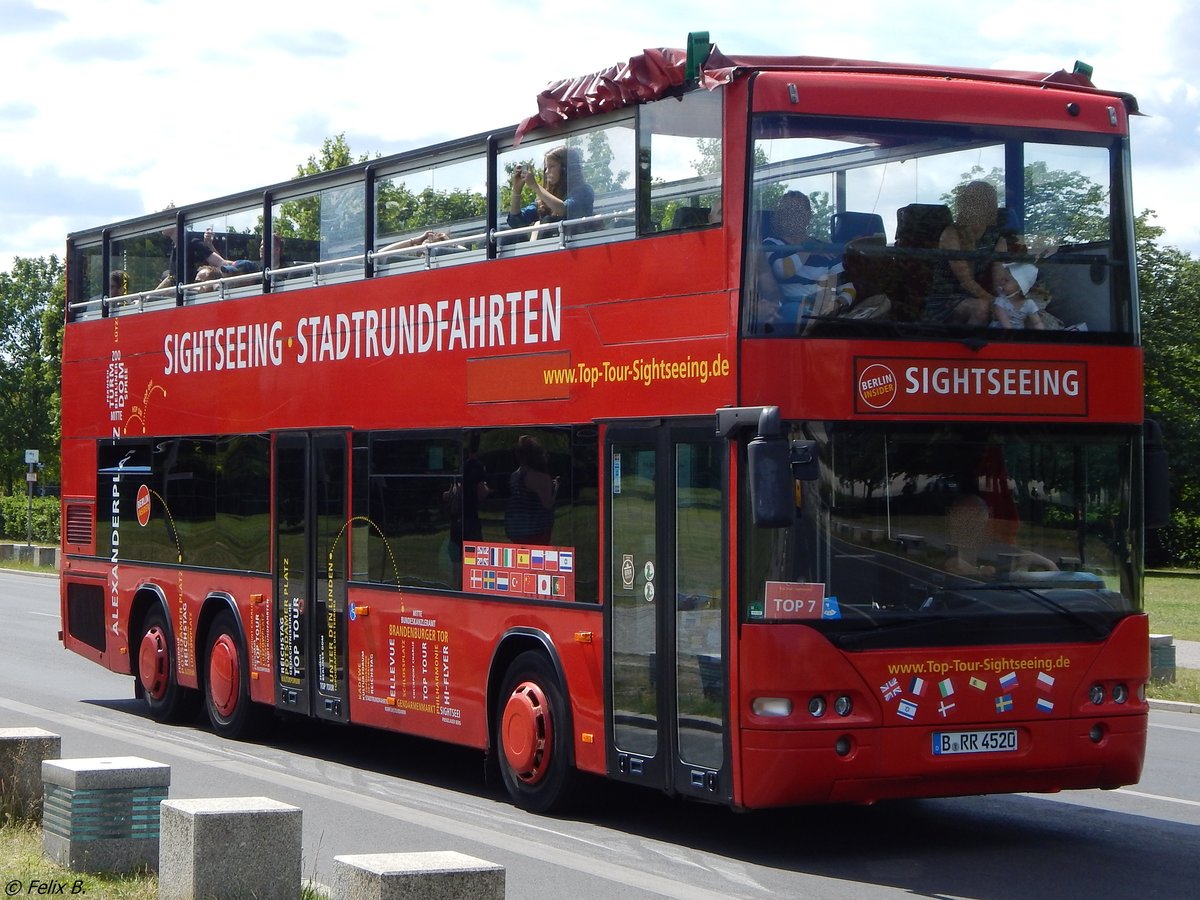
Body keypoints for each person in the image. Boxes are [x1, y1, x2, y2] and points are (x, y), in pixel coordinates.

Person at [926, 180, 1009, 325]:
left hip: (979, 296)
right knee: (982, 307)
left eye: (987, 202)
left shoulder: (997, 239)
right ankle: (969, 346)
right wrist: (995, 302)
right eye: (975, 202)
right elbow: (966, 281)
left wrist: (1008, 300)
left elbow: (999, 278)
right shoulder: (951, 234)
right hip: (945, 300)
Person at [762, 191, 846, 326]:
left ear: (808, 216)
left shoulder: (825, 248)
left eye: (798, 211)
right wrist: (807, 250)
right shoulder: (772, 244)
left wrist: (838, 304)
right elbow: (782, 271)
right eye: (787, 211)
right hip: (794, 309)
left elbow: (846, 285)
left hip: (827, 309)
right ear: (779, 217)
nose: (792, 216)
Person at [507, 146, 594, 236]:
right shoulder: (543, 201)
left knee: (547, 221)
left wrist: (535, 186)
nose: (546, 172)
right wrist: (516, 190)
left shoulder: (584, 191)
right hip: (549, 248)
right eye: (545, 168)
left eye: (551, 166)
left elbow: (565, 210)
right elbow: (516, 221)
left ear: (565, 168)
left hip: (577, 245)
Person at [504, 434, 558, 545]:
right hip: (537, 531)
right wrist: (556, 487)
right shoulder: (540, 477)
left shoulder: (514, 476)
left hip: (517, 531)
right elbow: (548, 504)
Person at [156, 227, 237, 288]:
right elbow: (172, 277)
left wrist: (225, 288)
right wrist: (149, 296)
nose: (162, 225)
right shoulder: (174, 247)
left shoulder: (193, 243)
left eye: (166, 220)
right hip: (181, 298)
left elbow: (221, 263)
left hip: (193, 297)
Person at [990, 261, 1045, 330]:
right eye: (1002, 279)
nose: (1002, 282)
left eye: (1006, 280)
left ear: (1020, 286)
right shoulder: (1001, 301)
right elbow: (1006, 325)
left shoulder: (1028, 303)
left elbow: (1037, 322)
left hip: (1016, 337)